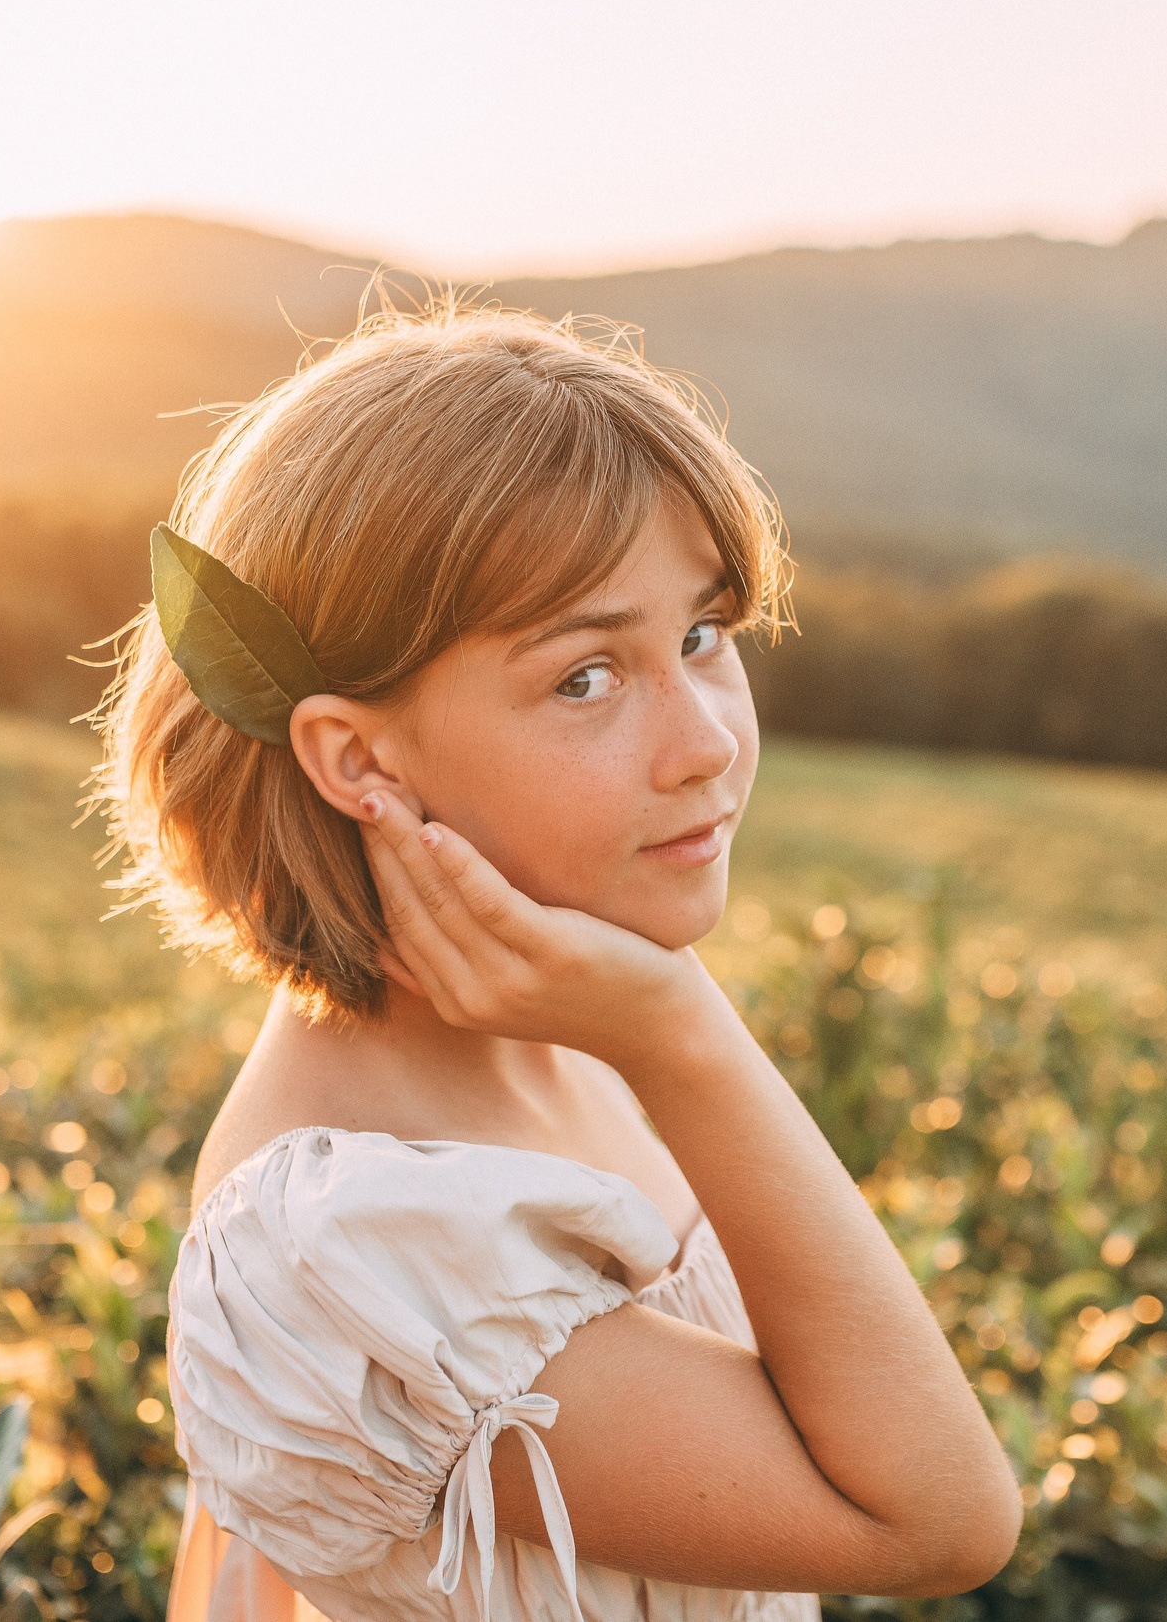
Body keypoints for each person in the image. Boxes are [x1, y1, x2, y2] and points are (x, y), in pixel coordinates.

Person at [91, 305, 1021, 1622]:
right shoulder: (351, 1241)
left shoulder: (570, 1037)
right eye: (588, 675)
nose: (703, 740)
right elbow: (939, 1517)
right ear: (360, 761)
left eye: (701, 636)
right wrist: (682, 1028)